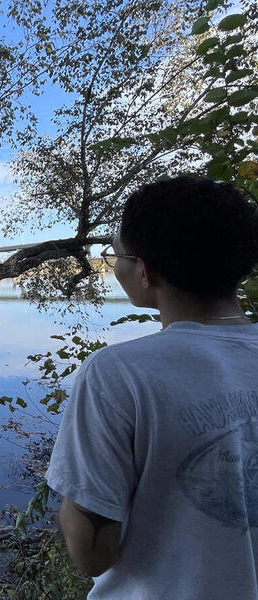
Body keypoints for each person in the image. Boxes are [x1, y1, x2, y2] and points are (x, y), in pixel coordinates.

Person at [45, 176, 258, 598]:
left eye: (116, 255)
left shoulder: (118, 374)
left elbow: (92, 555)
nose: (115, 265)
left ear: (145, 270)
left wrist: (73, 489)